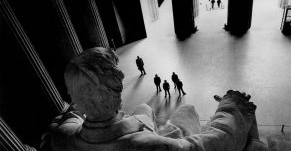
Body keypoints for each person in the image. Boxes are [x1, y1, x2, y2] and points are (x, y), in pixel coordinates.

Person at [41, 47, 268, 151]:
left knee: (143, 107)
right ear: (116, 92)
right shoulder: (150, 146)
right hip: (147, 138)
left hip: (105, 129)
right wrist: (232, 104)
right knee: (188, 109)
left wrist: (78, 105)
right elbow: (219, 140)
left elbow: (68, 119)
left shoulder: (62, 137)